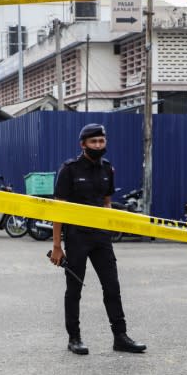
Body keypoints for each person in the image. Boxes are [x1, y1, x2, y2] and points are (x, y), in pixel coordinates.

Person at [50, 123, 147, 355]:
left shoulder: (107, 168)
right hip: (77, 237)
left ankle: (120, 337)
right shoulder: (69, 169)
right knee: (74, 289)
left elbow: (106, 201)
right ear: (83, 144)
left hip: (101, 238)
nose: (98, 145)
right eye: (93, 142)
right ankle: (74, 338)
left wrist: (109, 226)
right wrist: (56, 246)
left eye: (101, 141)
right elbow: (57, 209)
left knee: (112, 287)